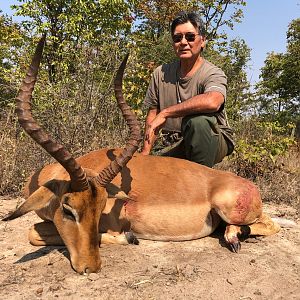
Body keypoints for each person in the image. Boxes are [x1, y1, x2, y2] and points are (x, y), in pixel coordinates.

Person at [141, 11, 234, 167]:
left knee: (198, 122)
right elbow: (152, 114)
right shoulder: (160, 73)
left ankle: (200, 181)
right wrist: (145, 153)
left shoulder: (212, 72)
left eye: (190, 37)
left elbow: (213, 101)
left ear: (203, 40)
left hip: (213, 138)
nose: (183, 42)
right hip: (173, 141)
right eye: (177, 38)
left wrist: (167, 112)